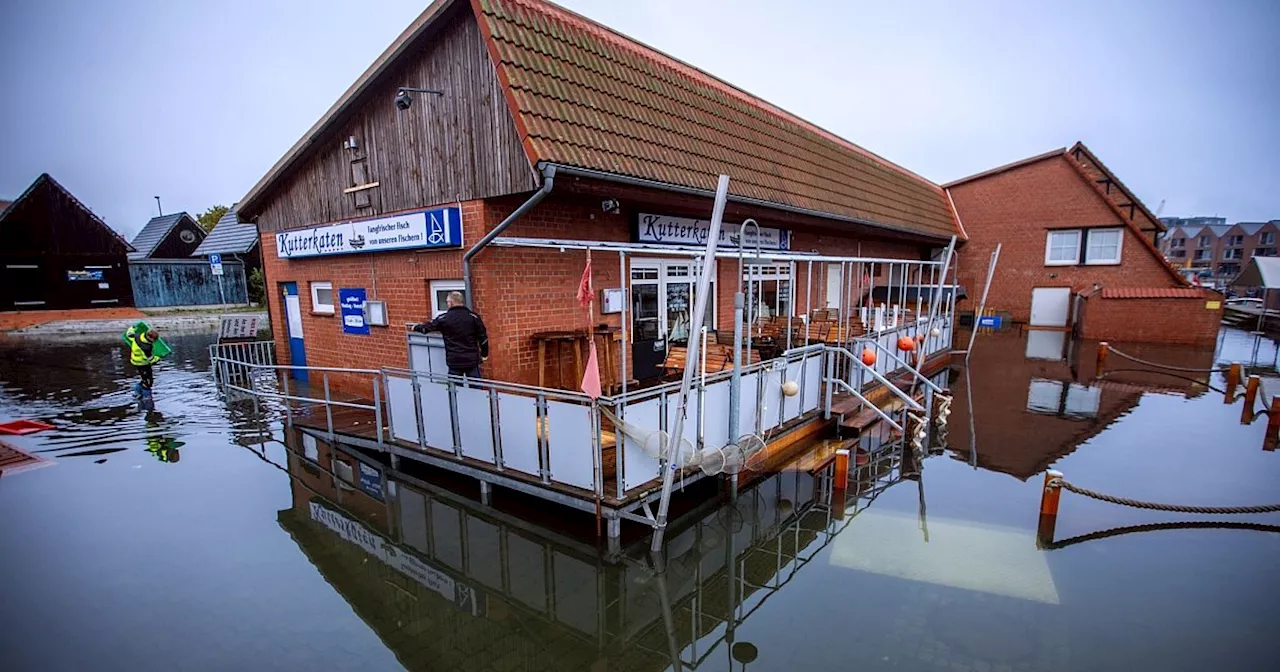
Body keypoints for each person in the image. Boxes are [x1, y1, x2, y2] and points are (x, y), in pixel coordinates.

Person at [412, 291, 489, 378]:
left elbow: (427, 328)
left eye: (447, 302)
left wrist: (416, 327)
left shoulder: (444, 318)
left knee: (454, 389)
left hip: (454, 360)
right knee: (476, 388)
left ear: (451, 303)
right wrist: (484, 354)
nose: (447, 304)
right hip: (471, 359)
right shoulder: (473, 317)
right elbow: (483, 338)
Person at [126, 326, 162, 395]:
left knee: (144, 378)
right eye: (154, 340)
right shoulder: (147, 347)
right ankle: (147, 398)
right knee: (148, 382)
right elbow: (151, 360)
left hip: (135, 361)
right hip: (143, 363)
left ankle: (137, 393)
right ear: (149, 338)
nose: (154, 342)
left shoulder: (137, 336)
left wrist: (133, 327)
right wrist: (158, 358)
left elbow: (129, 334)